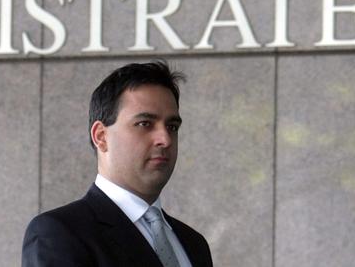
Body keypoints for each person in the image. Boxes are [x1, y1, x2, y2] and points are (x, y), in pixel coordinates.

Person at [22, 61, 213, 267]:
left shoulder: (194, 244)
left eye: (172, 126)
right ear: (101, 136)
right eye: (144, 124)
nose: (165, 139)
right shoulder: (59, 234)